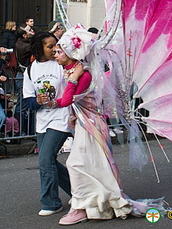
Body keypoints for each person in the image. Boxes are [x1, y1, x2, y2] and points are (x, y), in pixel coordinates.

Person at [54, 26, 132, 225]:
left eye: (59, 51)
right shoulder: (71, 70)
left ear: (71, 53)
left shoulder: (84, 74)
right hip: (83, 123)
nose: (55, 54)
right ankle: (91, 204)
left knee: (77, 164)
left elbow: (67, 101)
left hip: (92, 125)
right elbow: (63, 100)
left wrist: (72, 80)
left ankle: (81, 207)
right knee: (90, 165)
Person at [23, 32, 71, 216]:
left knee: (44, 159)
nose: (54, 49)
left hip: (61, 117)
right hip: (42, 120)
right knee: (48, 161)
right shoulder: (30, 70)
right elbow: (28, 101)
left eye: (55, 45)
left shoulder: (63, 63)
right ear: (39, 48)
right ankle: (78, 191)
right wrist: (38, 100)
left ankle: (51, 203)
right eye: (49, 46)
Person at [14, 25, 35, 135]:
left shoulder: (26, 42)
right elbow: (36, 45)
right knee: (21, 105)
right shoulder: (22, 45)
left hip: (27, 75)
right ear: (24, 35)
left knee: (30, 105)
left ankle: (29, 131)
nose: (32, 31)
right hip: (22, 76)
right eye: (29, 30)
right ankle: (19, 131)